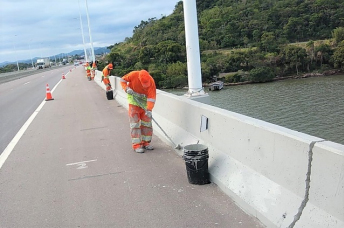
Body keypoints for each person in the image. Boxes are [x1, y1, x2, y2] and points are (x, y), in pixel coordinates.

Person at [120, 70, 156, 153]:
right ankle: (136, 145)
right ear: (139, 79)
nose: (145, 86)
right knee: (135, 123)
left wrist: (149, 109)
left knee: (147, 123)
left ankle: (146, 143)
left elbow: (152, 97)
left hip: (144, 102)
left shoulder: (151, 82)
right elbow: (122, 80)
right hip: (134, 99)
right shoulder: (133, 75)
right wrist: (126, 88)